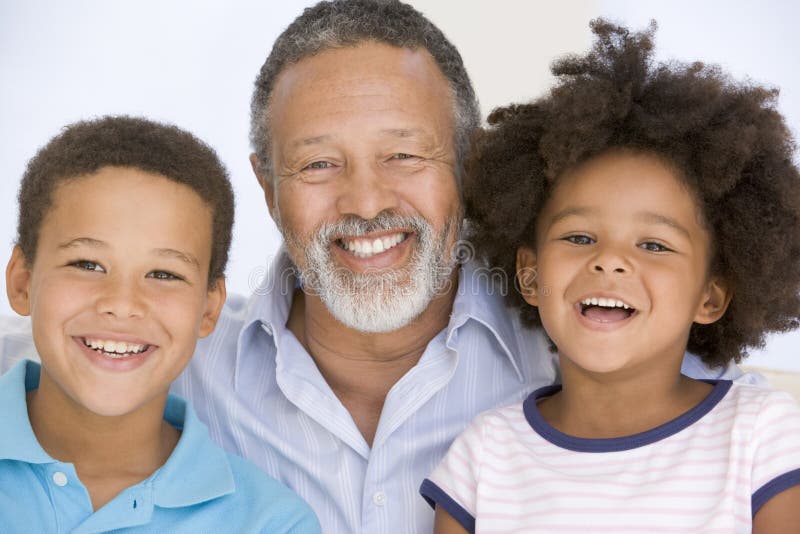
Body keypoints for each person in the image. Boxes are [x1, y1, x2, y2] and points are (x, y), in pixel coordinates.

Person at [0, 2, 760, 532]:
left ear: (468, 164)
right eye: (319, 163)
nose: (366, 202)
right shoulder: (163, 367)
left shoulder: (610, 358)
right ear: (267, 187)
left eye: (404, 155)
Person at [420, 20, 800, 532]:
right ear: (530, 276)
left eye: (654, 245)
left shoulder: (763, 438)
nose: (611, 261)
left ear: (709, 297)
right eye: (579, 238)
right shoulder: (485, 457)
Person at [0, 116, 320, 532]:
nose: (121, 303)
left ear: (208, 309)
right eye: (87, 264)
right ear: (23, 281)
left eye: (164, 274)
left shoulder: (270, 523)